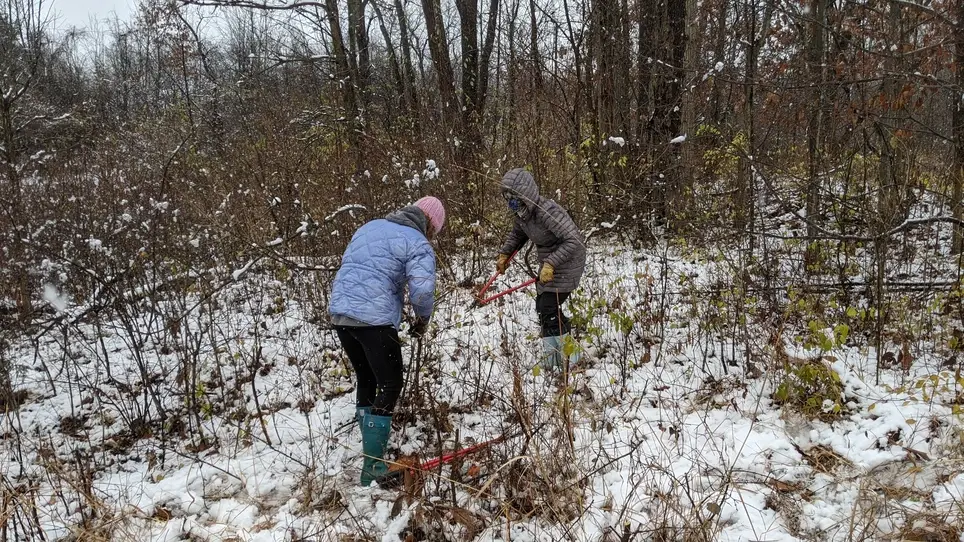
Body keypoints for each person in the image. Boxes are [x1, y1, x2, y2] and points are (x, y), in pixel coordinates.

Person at [329, 196, 445, 486]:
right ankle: (374, 467)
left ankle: (372, 458)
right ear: (430, 224)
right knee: (391, 382)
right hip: (374, 320)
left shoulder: (369, 227)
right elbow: (421, 293)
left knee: (367, 378)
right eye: (434, 230)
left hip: (341, 315)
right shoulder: (417, 243)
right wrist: (422, 320)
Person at [495, 168, 586, 372]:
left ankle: (570, 358)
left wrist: (551, 263)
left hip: (568, 261)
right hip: (550, 265)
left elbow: (574, 241)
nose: (511, 203)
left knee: (548, 306)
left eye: (514, 197)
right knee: (544, 307)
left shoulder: (546, 211)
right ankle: (553, 357)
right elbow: (518, 235)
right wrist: (505, 254)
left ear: (525, 195)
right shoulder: (523, 216)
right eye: (507, 198)